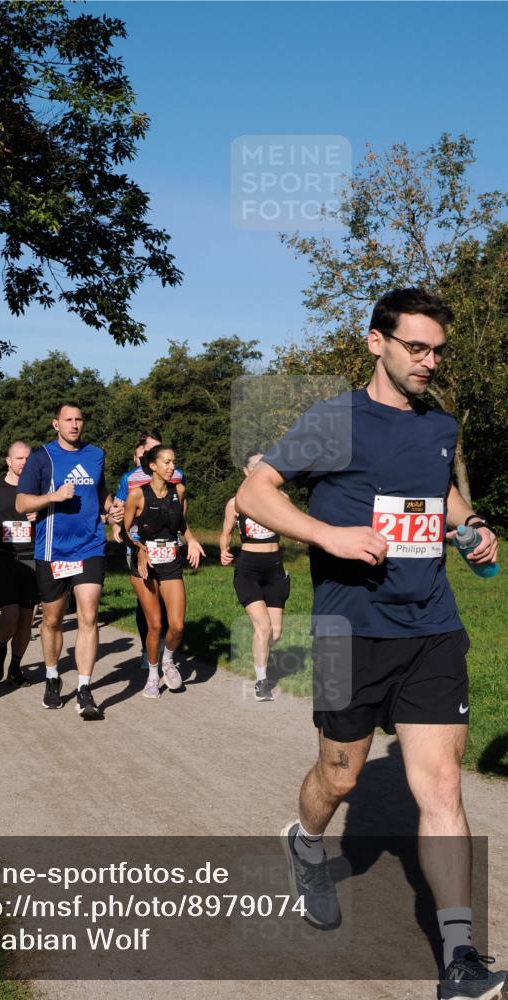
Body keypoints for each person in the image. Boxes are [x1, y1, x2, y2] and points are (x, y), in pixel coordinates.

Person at [237, 288, 503, 999]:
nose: (430, 360)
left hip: (431, 626)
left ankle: (460, 959)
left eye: (437, 349)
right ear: (375, 343)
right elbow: (255, 493)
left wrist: (471, 528)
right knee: (343, 778)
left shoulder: (439, 423)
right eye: (416, 347)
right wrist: (327, 535)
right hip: (343, 630)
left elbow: (439, 494)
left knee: (442, 785)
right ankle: (305, 839)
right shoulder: (333, 420)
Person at [16, 403, 123, 719]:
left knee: (89, 613)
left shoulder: (96, 454)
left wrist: (110, 508)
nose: (75, 424)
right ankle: (52, 676)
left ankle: (85, 689)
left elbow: (99, 490)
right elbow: (22, 502)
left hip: (90, 545)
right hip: (52, 550)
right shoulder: (41, 458)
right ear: (55, 424)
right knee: (52, 619)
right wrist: (53, 496)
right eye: (68, 420)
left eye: (79, 419)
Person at [123, 445, 205, 697]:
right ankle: (151, 674)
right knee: (156, 625)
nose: (172, 467)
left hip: (170, 562)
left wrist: (191, 540)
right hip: (145, 564)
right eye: (167, 462)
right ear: (153, 466)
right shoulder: (137, 495)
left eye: (174, 462)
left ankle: (167, 661)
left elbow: (182, 525)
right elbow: (125, 532)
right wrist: (139, 550)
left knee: (177, 625)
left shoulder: (178, 491)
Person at [220, 449, 290, 701]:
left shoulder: (280, 497)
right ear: (247, 471)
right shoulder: (236, 502)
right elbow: (226, 532)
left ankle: (260, 652)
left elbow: (294, 523)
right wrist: (223, 550)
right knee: (262, 627)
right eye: (256, 466)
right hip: (248, 567)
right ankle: (261, 681)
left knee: (275, 633)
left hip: (274, 567)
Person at [113, 429, 186, 668]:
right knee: (147, 605)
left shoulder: (177, 478)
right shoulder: (129, 479)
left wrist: (188, 539)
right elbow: (118, 509)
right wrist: (117, 524)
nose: (170, 464)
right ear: (144, 454)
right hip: (137, 546)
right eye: (150, 449)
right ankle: (149, 650)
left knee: (169, 606)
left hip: (169, 548)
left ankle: (164, 652)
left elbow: (180, 515)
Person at [0, 441, 39, 686]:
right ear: (8, 461)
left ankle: (16, 667)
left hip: (32, 556)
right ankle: (0, 647)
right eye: (19, 458)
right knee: (11, 613)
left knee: (27, 617)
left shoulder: (38, 487)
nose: (24, 463)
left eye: (28, 458)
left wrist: (40, 513)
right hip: (4, 556)